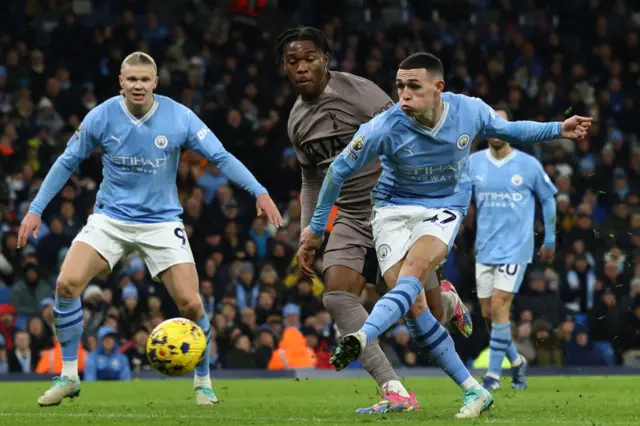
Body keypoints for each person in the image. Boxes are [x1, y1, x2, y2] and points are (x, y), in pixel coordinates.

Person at [300, 52, 591, 418]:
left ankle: (362, 336)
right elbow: (336, 172)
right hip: (391, 208)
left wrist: (557, 128)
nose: (403, 95)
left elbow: (510, 130)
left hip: (444, 205)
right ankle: (474, 390)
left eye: (413, 87)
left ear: (439, 88)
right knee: (416, 306)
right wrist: (314, 228)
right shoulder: (383, 127)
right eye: (399, 86)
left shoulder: (469, 111)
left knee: (412, 273)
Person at [18, 51, 283, 406]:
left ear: (155, 83)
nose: (138, 85)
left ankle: (203, 382)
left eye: (145, 79)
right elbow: (67, 161)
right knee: (66, 283)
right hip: (111, 218)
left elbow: (220, 156)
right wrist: (35, 210)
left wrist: (259, 191)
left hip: (161, 222)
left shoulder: (179, 117)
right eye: (132, 79)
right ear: (121, 83)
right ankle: (68, 375)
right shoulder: (102, 116)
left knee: (191, 303)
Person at [277, 27, 471, 414]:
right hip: (350, 216)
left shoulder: (360, 93)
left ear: (326, 59)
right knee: (335, 293)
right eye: (292, 61)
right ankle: (393, 389)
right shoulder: (297, 121)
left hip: (393, 210)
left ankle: (447, 301)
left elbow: (409, 133)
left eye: (309, 58)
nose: (301, 68)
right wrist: (308, 234)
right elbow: (311, 178)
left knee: (425, 319)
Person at [468, 107, 558, 390]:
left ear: (510, 129)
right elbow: (459, 200)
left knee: (498, 305)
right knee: (488, 314)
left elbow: (549, 199)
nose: (496, 130)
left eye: (502, 125)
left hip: (516, 247)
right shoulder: (473, 163)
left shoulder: (528, 165)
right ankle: (517, 363)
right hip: (484, 248)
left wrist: (551, 239)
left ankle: (493, 377)